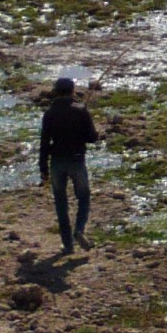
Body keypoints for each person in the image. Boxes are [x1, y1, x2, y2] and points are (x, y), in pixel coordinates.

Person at [38, 77, 101, 254]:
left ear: (56, 92)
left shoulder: (49, 113)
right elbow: (91, 137)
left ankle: (67, 245)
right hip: (77, 160)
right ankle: (79, 230)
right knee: (84, 197)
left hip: (56, 163)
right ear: (73, 91)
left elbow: (44, 143)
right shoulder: (81, 111)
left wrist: (43, 168)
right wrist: (94, 132)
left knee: (61, 203)